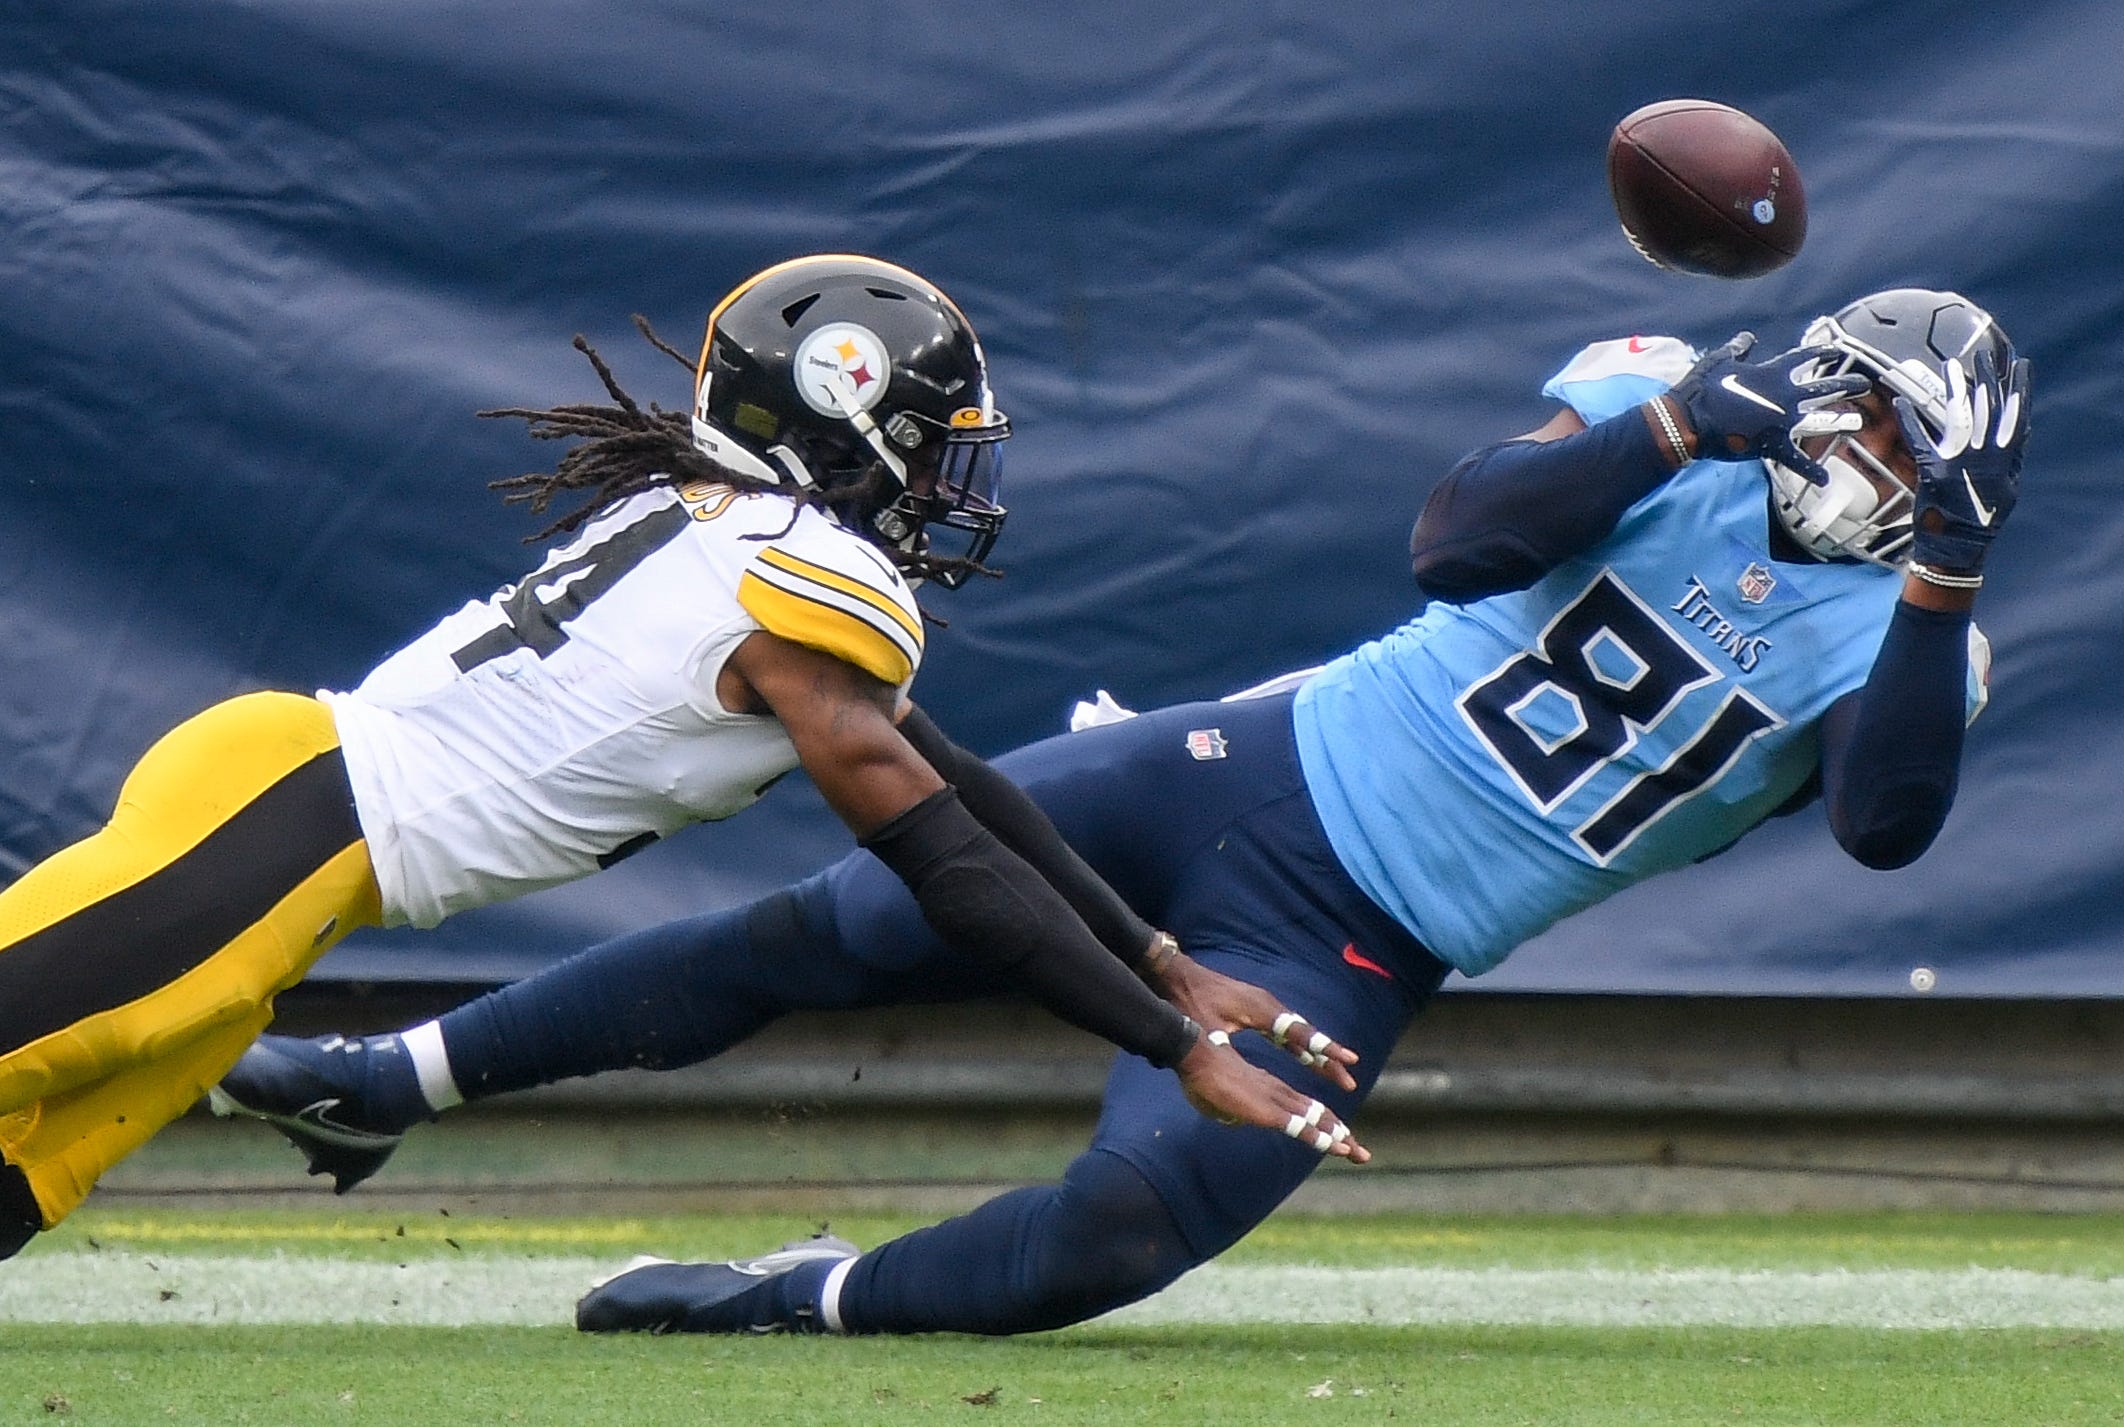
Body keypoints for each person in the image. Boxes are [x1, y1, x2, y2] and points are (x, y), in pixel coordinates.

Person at [213, 287, 2030, 1337]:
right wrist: (1674, 431)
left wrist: (1938, 581)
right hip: (1234, 768)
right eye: (1847, 404)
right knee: (839, 927)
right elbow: (1459, 541)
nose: (1844, 442)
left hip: (1362, 941)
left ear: (1958, 480)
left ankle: (789, 1300)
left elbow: (1882, 828)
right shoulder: (1665, 411)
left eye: (1895, 438)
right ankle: (389, 1081)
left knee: (1124, 1235)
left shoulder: (1918, 643)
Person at [0, 254, 1366, 1263]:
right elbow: (947, 865)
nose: (953, 489)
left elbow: (979, 801)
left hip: (300, 834)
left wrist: (1160, 959)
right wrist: (1171, 1048)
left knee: (32, 1169)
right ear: (846, 421)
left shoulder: (746, 541)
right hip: (291, 823)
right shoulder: (798, 580)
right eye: (934, 451)